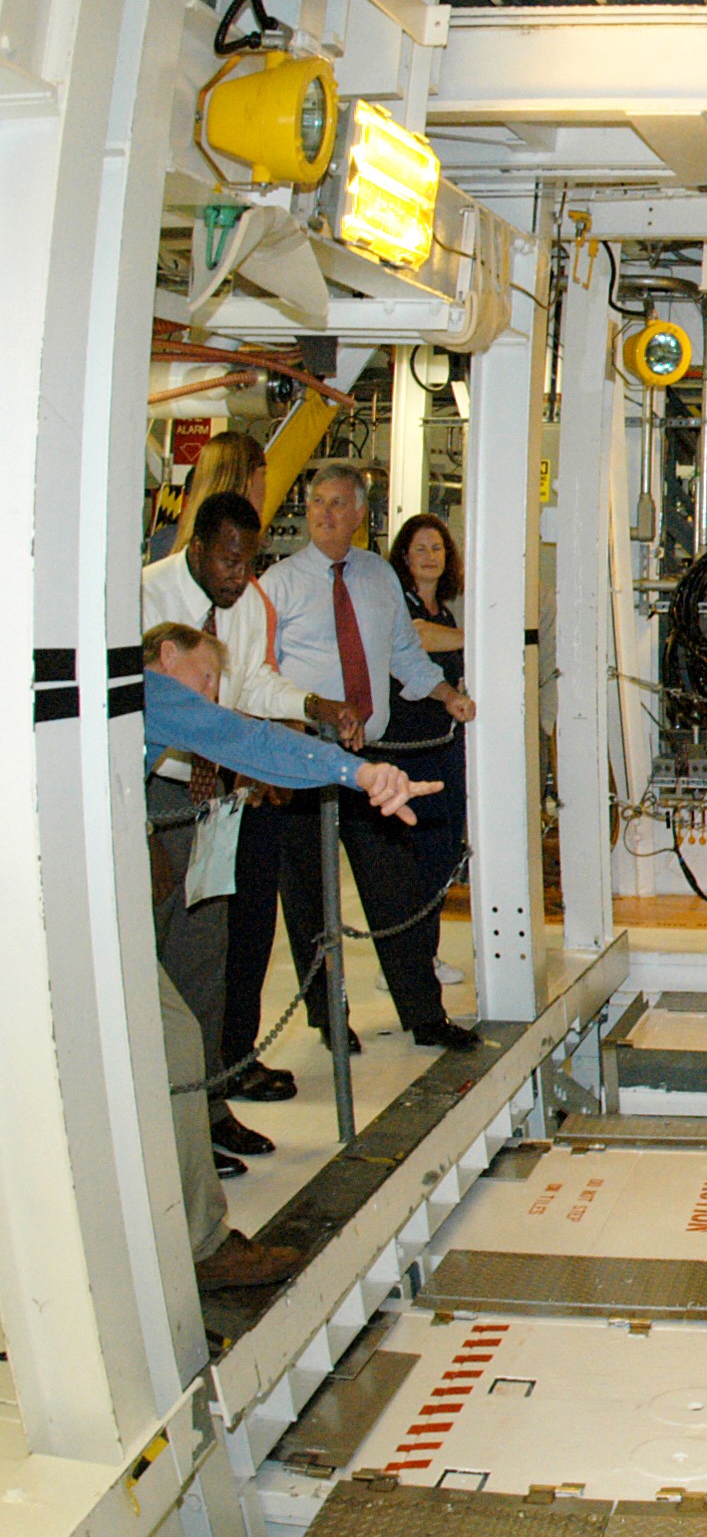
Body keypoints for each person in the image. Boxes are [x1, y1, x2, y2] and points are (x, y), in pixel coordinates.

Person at [141, 626, 435, 1292]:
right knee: (173, 1040)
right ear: (166, 659)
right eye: (205, 675)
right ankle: (198, 1246)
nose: (210, 693)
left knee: (173, 1042)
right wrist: (360, 771)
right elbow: (241, 737)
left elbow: (244, 735)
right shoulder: (146, 693)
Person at [142, 491, 364, 1157]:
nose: (240, 575)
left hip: (213, 797)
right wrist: (139, 827)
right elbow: (177, 713)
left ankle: (207, 1111)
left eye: (249, 561)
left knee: (206, 958)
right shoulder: (144, 597)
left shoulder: (246, 606)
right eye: (230, 561)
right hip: (154, 796)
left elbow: (251, 689)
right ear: (201, 548)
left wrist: (313, 701)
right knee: (148, 976)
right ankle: (160, 1132)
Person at [237, 462, 479, 1056]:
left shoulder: (375, 578)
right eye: (316, 501)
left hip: (369, 758)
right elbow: (256, 670)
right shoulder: (280, 584)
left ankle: (425, 1014)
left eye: (337, 502)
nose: (322, 512)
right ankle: (329, 1021)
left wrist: (448, 694)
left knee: (393, 888)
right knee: (310, 901)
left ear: (361, 514)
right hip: (302, 760)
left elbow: (403, 655)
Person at [384, 513, 469, 928]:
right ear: (404, 555)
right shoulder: (400, 605)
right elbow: (418, 637)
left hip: (445, 745)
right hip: (409, 748)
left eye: (437, 548)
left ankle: (426, 950)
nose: (430, 556)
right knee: (425, 847)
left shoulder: (448, 613)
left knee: (448, 845)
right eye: (420, 548)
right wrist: (483, 636)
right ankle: (409, 950)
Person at [154, 426, 267, 564]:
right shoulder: (224, 565)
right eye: (263, 474)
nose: (265, 486)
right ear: (245, 481)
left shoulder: (169, 544)